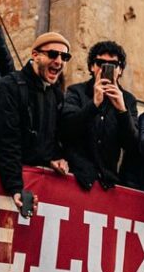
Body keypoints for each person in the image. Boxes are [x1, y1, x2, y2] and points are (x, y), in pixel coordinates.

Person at [0, 31, 70, 209]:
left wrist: (55, 158)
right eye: (52, 54)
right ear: (35, 55)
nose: (59, 61)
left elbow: (51, 139)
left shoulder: (56, 94)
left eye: (64, 56)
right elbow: (7, 143)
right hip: (0, 187)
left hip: (29, 189)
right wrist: (15, 187)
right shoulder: (8, 87)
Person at [59, 40, 139, 191]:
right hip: (77, 179)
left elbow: (132, 145)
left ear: (120, 70)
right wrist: (94, 104)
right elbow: (66, 130)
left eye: (113, 64)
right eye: (100, 63)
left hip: (107, 183)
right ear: (92, 66)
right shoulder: (76, 92)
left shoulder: (128, 100)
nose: (105, 68)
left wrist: (122, 110)